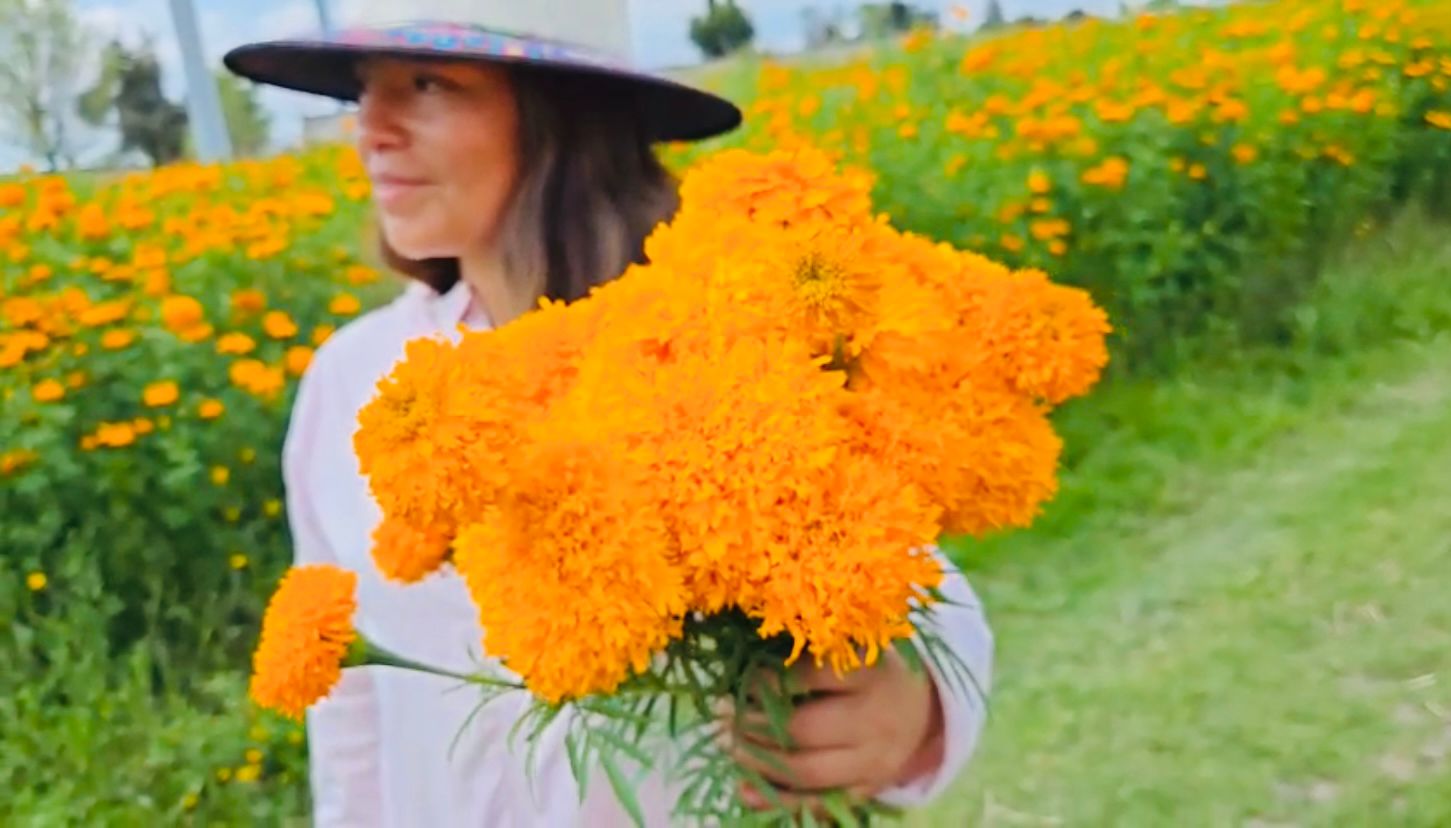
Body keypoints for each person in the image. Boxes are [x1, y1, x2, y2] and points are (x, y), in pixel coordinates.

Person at [224, 16, 993, 828]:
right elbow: (350, 709)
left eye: (425, 85)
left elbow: (898, 555)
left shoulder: (703, 341)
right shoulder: (352, 380)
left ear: (564, 114)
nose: (369, 130)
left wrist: (912, 704)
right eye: (364, 88)